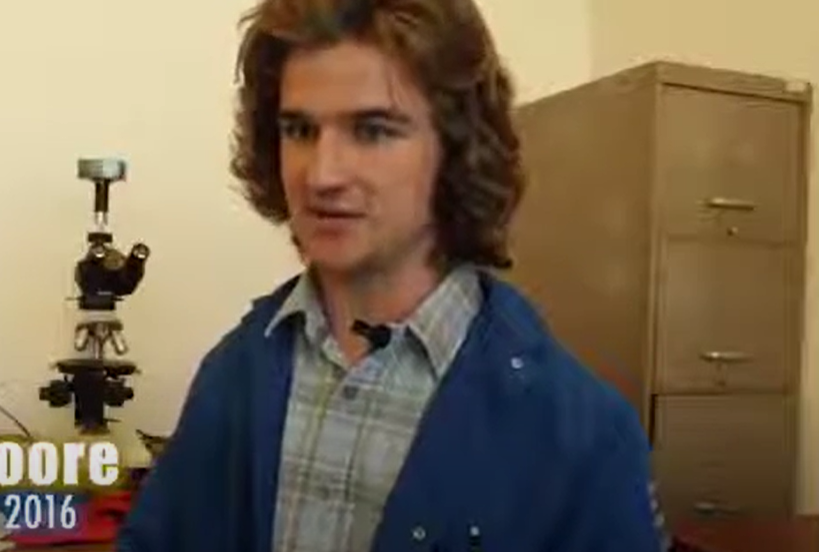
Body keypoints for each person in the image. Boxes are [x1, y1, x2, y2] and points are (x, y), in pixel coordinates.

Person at [118, 0, 667, 550]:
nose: (322, 175)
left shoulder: (582, 433)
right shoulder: (234, 372)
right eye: (300, 130)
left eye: (372, 131)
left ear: (456, 148)